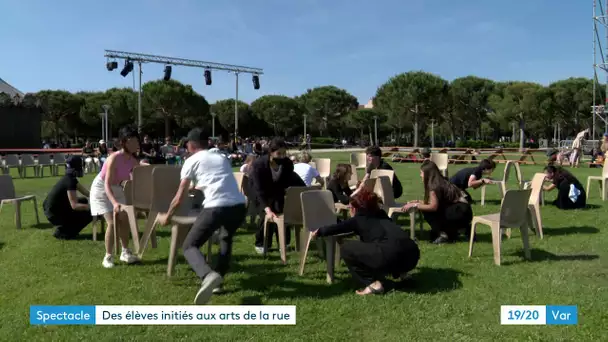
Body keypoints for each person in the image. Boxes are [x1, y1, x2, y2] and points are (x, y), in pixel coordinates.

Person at [158, 128, 246, 305]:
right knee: (225, 238)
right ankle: (218, 280)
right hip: (238, 206)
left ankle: (207, 275)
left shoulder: (191, 161)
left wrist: (167, 216)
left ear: (190, 145)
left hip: (216, 207)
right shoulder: (220, 157)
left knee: (190, 246)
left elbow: (179, 196)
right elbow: (216, 180)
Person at [312, 189, 420, 295]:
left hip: (391, 257)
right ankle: (403, 274)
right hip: (413, 255)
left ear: (355, 208)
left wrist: (320, 231)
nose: (350, 209)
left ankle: (373, 285)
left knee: (346, 248)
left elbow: (339, 227)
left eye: (350, 207)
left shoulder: (359, 219)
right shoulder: (382, 215)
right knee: (387, 243)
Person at [89, 126, 142, 268]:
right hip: (101, 190)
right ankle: (108, 257)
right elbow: (106, 184)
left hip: (117, 188)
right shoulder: (114, 158)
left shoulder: (132, 160)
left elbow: (139, 173)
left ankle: (125, 252)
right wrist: (114, 203)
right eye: (133, 141)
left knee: (124, 220)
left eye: (137, 141)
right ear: (124, 142)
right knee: (112, 223)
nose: (137, 144)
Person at [251, 138, 305, 254]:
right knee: (265, 215)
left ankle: (284, 242)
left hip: (277, 191)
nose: (282, 156)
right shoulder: (258, 165)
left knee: (281, 211)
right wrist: (267, 209)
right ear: (271, 152)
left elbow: (288, 181)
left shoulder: (287, 164)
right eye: (278, 153)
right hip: (259, 192)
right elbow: (258, 190)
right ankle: (262, 243)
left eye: (284, 153)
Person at [402, 161, 473, 244]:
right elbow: (435, 202)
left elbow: (433, 206)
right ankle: (460, 230)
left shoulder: (434, 186)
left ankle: (444, 234)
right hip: (465, 211)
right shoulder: (441, 181)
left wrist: (415, 205)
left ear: (428, 174)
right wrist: (418, 202)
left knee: (427, 211)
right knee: (429, 209)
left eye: (421, 173)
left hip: (459, 212)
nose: (420, 175)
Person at [43, 155, 92, 240]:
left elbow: (87, 193)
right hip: (54, 214)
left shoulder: (69, 178)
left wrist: (99, 197)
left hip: (51, 209)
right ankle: (64, 232)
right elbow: (74, 205)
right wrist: (92, 208)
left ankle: (66, 227)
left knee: (83, 200)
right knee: (89, 214)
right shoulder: (70, 182)